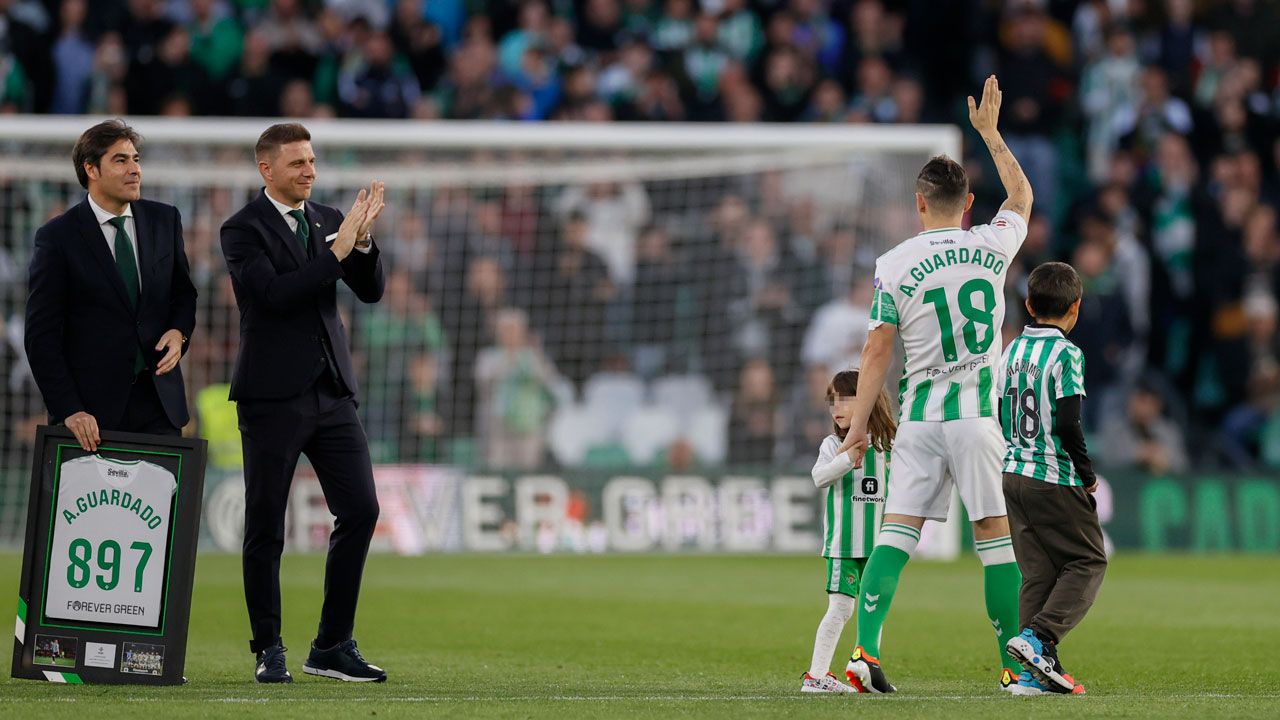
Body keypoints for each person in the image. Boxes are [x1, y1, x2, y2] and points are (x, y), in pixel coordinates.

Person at [840, 76, 1031, 693]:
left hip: (920, 420)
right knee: (994, 540)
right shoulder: (992, 245)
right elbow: (1023, 196)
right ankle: (1013, 664)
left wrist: (860, 426)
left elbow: (876, 351)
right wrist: (992, 136)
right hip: (978, 419)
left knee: (896, 536)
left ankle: (864, 656)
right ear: (968, 202)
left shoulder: (893, 264)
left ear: (919, 204)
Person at [220, 122, 387, 684]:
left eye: (312, 161)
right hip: (272, 397)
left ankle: (332, 644)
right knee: (266, 526)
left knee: (362, 509)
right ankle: (268, 647)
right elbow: (274, 296)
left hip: (332, 391)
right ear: (267, 169)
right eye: (298, 164)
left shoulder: (330, 220)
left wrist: (360, 243)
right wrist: (339, 250)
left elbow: (369, 290)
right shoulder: (240, 230)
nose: (310, 172)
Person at [25, 119, 197, 450]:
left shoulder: (165, 220)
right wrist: (70, 409)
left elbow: (183, 294)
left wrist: (179, 333)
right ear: (91, 169)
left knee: (160, 502)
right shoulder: (57, 238)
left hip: (160, 407)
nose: (134, 169)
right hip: (90, 417)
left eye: (136, 159)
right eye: (120, 160)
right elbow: (41, 336)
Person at [999, 261, 1104, 696]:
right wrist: (1086, 474)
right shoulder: (1067, 354)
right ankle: (1039, 638)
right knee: (1087, 562)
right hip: (1052, 475)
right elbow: (1067, 421)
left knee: (1038, 573)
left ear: (1028, 305)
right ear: (1075, 308)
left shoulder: (1012, 351)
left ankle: (1031, 675)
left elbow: (1002, 411)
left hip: (1012, 472)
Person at [801, 369, 894, 694]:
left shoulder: (888, 445)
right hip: (844, 545)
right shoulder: (833, 444)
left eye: (845, 399)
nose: (836, 408)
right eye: (832, 401)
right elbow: (819, 478)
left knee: (873, 608)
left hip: (879, 548)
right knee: (841, 608)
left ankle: (867, 673)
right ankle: (816, 676)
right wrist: (847, 458)